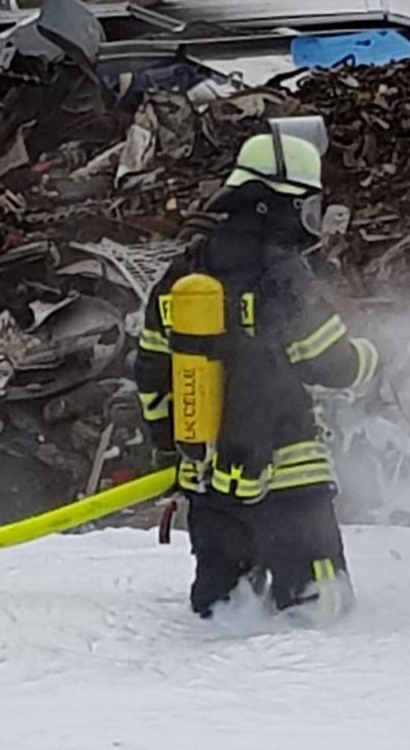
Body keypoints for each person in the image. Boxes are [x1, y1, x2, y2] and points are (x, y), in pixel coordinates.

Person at [135, 129, 379, 624]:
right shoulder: (281, 272)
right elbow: (327, 360)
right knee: (323, 613)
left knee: (221, 616)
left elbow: (152, 371)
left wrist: (172, 450)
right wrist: (374, 357)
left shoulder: (185, 272)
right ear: (276, 204)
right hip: (289, 486)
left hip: (208, 485)